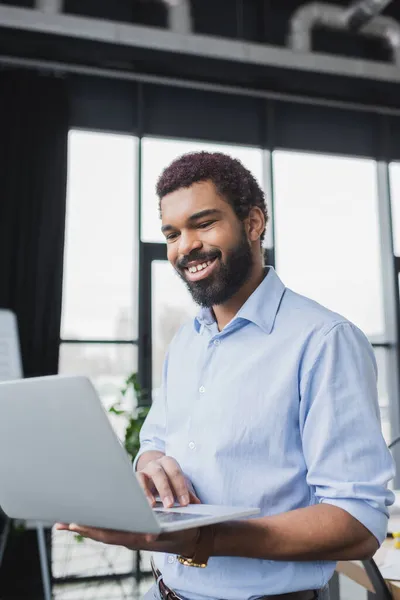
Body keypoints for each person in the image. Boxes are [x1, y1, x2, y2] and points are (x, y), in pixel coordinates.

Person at [57, 151, 395, 600]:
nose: (185, 246)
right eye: (172, 233)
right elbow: (156, 440)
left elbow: (357, 523)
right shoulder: (186, 340)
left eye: (204, 223)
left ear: (253, 223)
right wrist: (153, 467)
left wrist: (202, 541)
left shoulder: (324, 340)